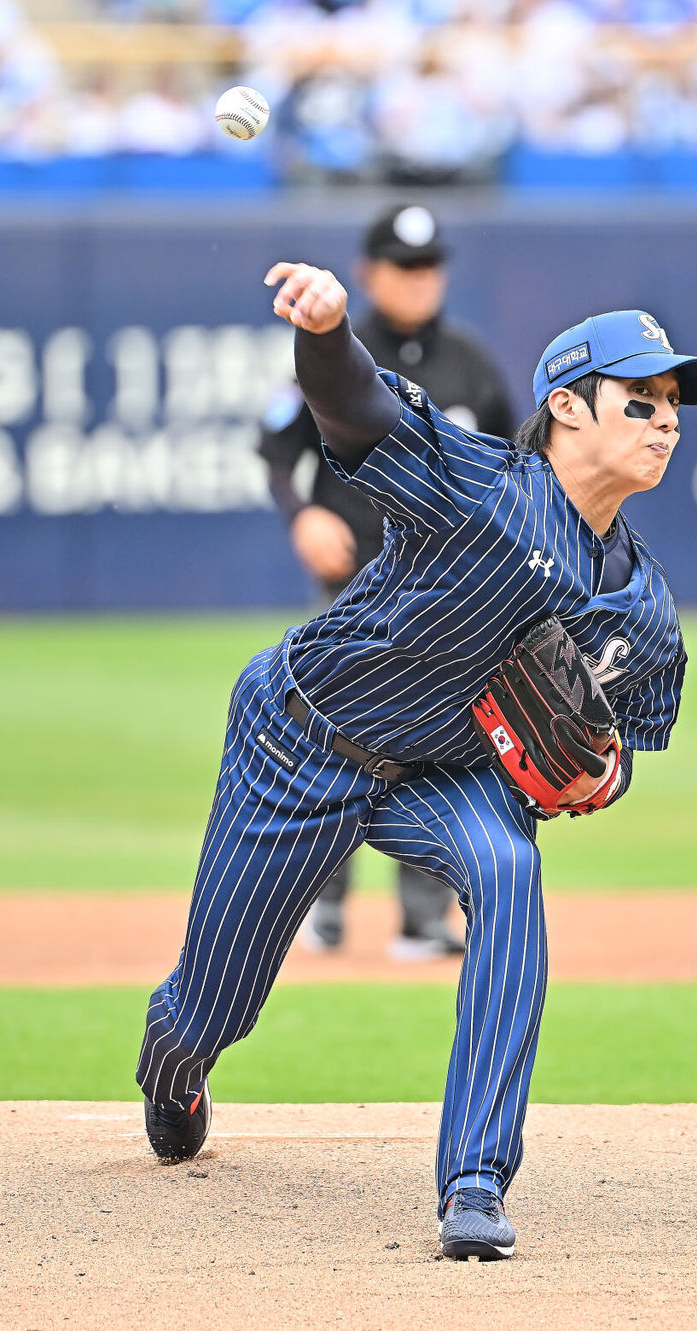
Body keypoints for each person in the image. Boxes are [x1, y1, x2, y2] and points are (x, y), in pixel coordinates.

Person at [138, 258, 697, 1261]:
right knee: (212, 1006)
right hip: (301, 737)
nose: (666, 419)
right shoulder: (477, 484)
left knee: (508, 865)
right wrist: (323, 331)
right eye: (642, 398)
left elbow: (621, 750)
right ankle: (173, 1067)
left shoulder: (645, 611)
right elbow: (356, 407)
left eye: (674, 403)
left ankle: (476, 1178)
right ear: (568, 409)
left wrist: (598, 773)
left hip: (443, 776)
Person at [258, 203, 514, 960]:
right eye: (404, 266)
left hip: (446, 592)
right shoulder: (337, 351)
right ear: (369, 273)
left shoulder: (471, 360)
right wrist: (302, 515)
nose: (419, 279)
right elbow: (276, 444)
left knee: (436, 743)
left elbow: (513, 464)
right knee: (331, 742)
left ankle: (424, 918)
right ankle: (320, 909)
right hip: (355, 585)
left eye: (430, 265)